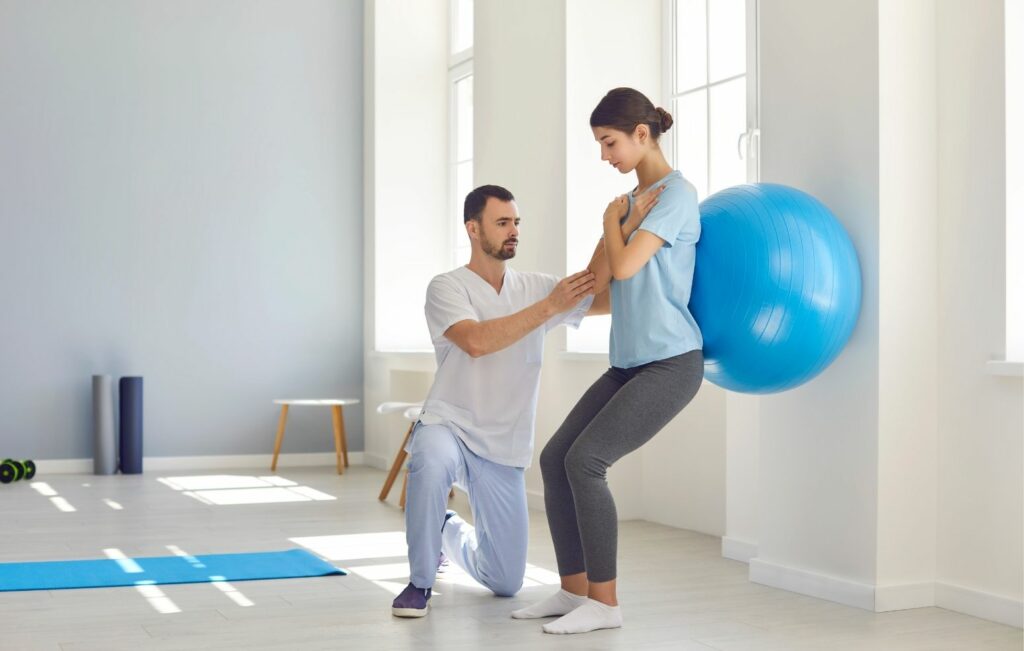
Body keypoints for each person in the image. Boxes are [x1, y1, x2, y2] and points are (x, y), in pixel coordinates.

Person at [392, 183, 656, 618]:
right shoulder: (446, 287)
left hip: (503, 443)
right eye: (502, 223)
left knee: (506, 582)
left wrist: (619, 228)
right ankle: (419, 583)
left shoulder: (535, 286)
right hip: (450, 424)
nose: (513, 231)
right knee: (431, 459)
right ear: (473, 229)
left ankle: (446, 530)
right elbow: (476, 341)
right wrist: (550, 307)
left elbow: (595, 288)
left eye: (516, 222)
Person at [512, 87, 705, 635]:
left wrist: (609, 219)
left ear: (642, 135)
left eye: (609, 142)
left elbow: (624, 270)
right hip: (629, 363)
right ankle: (574, 592)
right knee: (555, 459)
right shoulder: (630, 203)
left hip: (671, 362)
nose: (605, 156)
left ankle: (606, 602)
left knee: (586, 462)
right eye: (600, 144)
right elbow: (598, 279)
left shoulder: (677, 195)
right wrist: (617, 218)